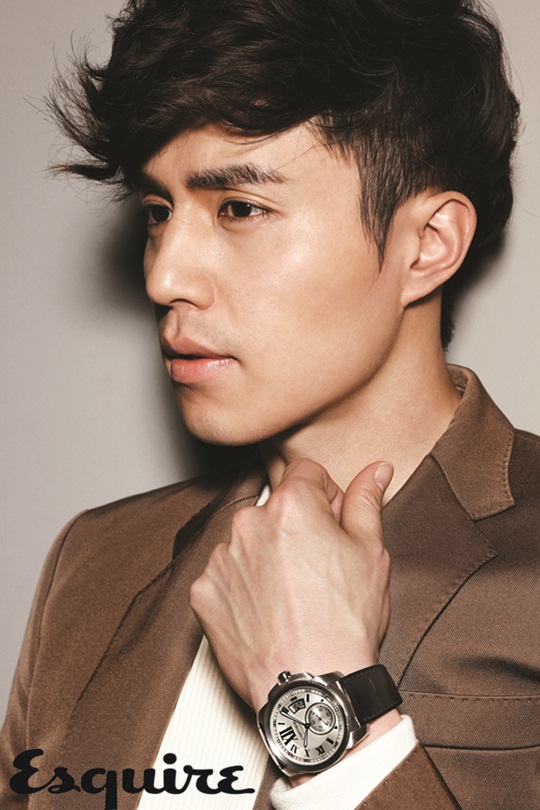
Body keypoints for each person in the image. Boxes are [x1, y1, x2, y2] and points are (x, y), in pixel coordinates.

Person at [1, 0, 538, 808]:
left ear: (427, 245)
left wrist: (325, 702)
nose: (164, 276)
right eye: (158, 213)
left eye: (240, 208)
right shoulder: (96, 561)